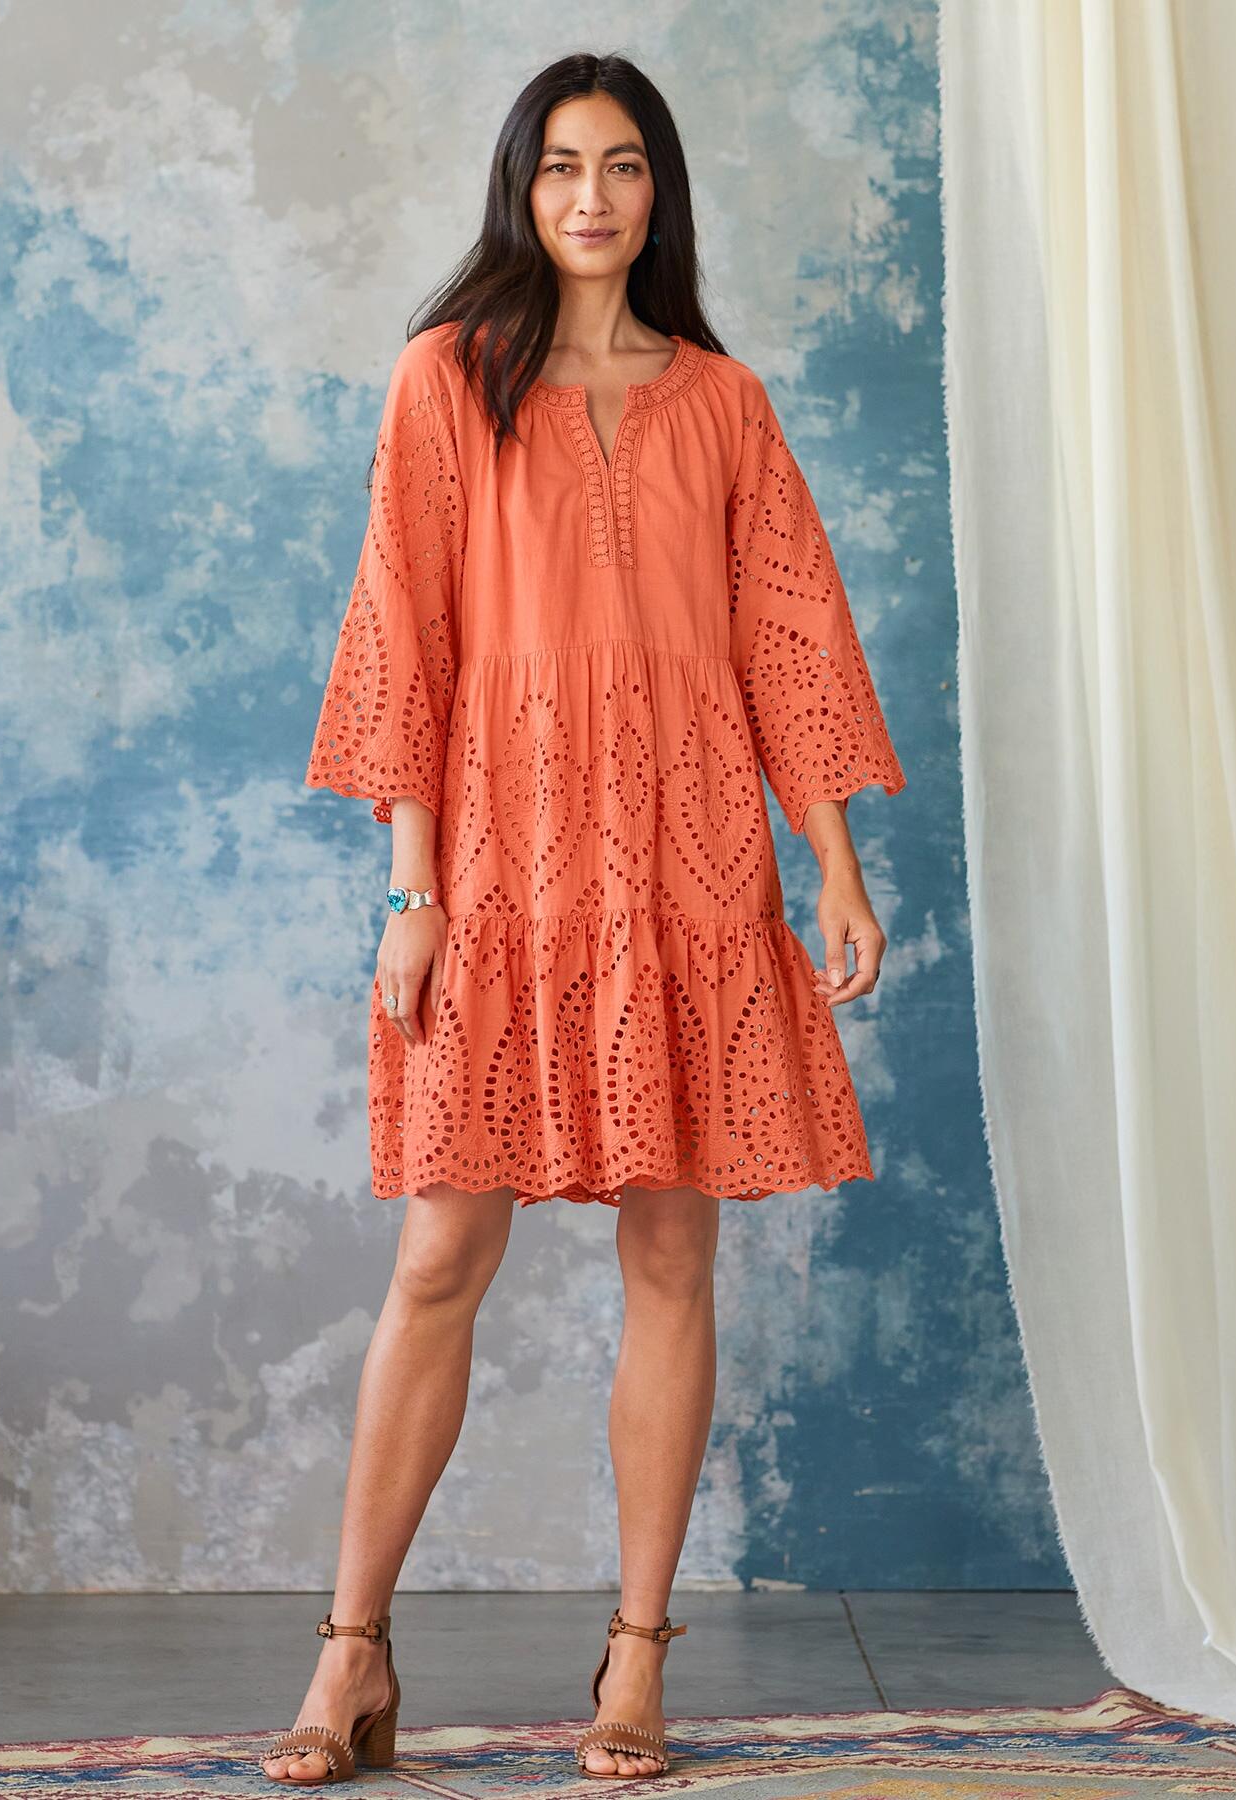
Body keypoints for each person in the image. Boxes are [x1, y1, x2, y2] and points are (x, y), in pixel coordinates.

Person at [267, 49, 907, 1787]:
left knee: (673, 1255)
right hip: (500, 868)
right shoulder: (447, 379)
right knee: (439, 1258)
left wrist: (835, 862)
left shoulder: (726, 402)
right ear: (521, 186)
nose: (592, 196)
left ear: (659, 192)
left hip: (692, 870)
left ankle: (635, 1661)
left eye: (623, 165)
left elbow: (789, 638)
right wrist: (411, 888)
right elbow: (403, 633)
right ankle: (350, 1655)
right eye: (561, 165)